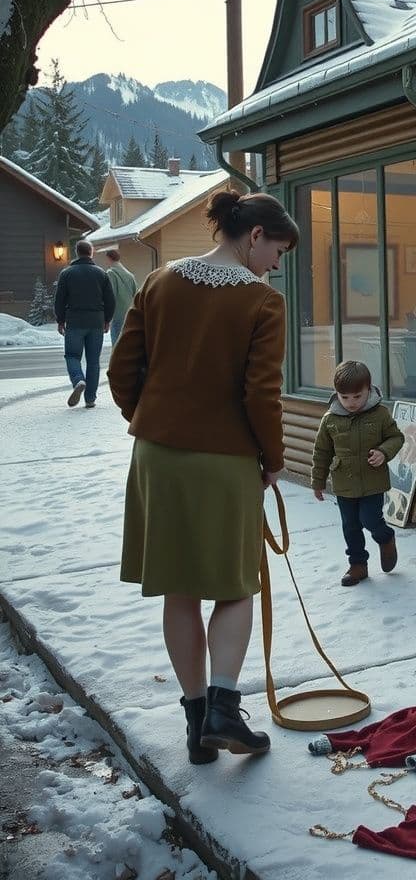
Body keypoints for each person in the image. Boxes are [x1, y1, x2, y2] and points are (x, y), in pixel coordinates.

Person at [108, 191, 298, 765]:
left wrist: (152, 418)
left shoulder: (159, 281)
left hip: (158, 457)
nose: (277, 264)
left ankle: (196, 724)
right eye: (279, 251)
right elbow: (260, 393)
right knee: (236, 586)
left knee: (180, 588)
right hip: (225, 460)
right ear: (256, 235)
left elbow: (121, 369)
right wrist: (272, 458)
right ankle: (223, 709)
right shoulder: (263, 302)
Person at [311, 360, 405, 587]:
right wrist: (318, 481)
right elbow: (322, 451)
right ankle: (358, 565)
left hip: (373, 482)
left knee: (370, 519)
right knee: (350, 525)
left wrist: (383, 452)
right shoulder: (330, 419)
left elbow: (396, 438)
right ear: (337, 394)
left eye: (357, 397)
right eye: (345, 398)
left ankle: (385, 537)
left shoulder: (380, 414)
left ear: (369, 390)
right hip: (345, 483)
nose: (351, 403)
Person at [54, 239, 115, 409]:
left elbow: (59, 299)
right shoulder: (101, 274)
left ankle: (78, 380)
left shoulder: (66, 274)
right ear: (91, 252)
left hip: (74, 321)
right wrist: (107, 320)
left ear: (77, 253)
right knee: (93, 361)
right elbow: (110, 300)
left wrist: (60, 319)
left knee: (72, 356)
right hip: (96, 321)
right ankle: (90, 398)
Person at [103, 249, 138, 345]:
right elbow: (136, 294)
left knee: (117, 344)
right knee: (127, 343)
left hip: (117, 313)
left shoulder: (110, 273)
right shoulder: (130, 275)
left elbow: (110, 295)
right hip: (129, 313)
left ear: (109, 258)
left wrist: (106, 317)